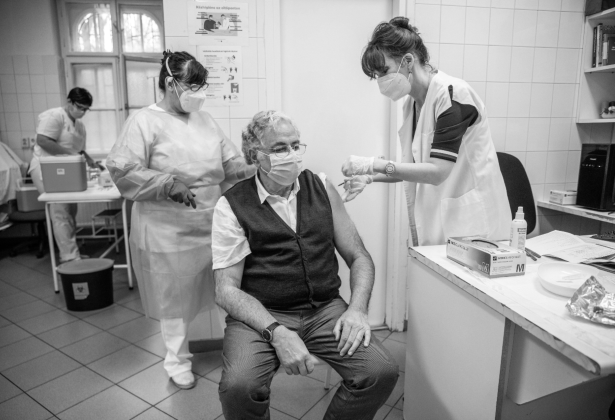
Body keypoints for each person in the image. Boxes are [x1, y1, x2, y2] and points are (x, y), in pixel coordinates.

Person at [212, 110, 399, 420]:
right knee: (238, 387)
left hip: (325, 309)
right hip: (262, 314)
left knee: (381, 371)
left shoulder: (321, 188)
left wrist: (357, 309)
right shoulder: (231, 205)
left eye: (296, 145)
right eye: (280, 148)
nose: (292, 155)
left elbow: (359, 257)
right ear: (256, 156)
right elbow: (226, 290)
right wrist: (277, 333)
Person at [106, 50, 255, 390]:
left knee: (226, 287)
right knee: (173, 294)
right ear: (170, 84)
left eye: (203, 85)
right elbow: (122, 169)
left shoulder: (206, 120)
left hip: (211, 221)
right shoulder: (143, 121)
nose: (199, 92)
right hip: (166, 226)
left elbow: (229, 164)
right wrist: (167, 183)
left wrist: (255, 166)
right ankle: (176, 360)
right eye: (193, 85)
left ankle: (240, 353)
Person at [341, 17, 511, 246]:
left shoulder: (452, 94)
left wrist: (374, 164)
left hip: (475, 227)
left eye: (384, 71)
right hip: (441, 222)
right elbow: (412, 168)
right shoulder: (411, 104)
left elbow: (437, 171)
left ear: (408, 61)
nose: (381, 81)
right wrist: (369, 177)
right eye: (377, 76)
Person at [28, 87, 98, 263]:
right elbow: (43, 141)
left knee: (70, 211)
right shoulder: (54, 116)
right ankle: (69, 257)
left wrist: (89, 160)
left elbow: (79, 149)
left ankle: (73, 252)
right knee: (60, 211)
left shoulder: (79, 125)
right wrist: (70, 155)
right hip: (47, 169)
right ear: (69, 102)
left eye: (85, 109)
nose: (82, 112)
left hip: (66, 170)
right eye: (79, 107)